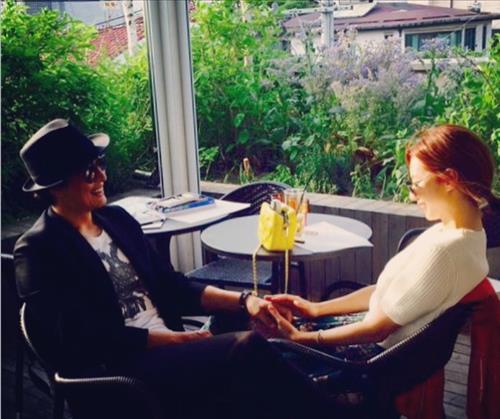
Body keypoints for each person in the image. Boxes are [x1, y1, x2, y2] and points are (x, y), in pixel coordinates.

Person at [14, 119, 330, 419]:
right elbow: (82, 341)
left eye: (100, 164)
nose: (101, 177)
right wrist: (175, 341)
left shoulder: (116, 220)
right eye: (88, 172)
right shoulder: (38, 250)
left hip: (169, 350)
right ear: (56, 187)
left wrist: (246, 300)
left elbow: (172, 286)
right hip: (120, 375)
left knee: (256, 327)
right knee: (246, 349)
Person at [264, 124, 498, 359]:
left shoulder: (444, 251)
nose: (411, 195)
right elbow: (388, 294)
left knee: (256, 349)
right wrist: (315, 308)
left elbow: (377, 329)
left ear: (449, 180)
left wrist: (300, 339)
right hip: (379, 353)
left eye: (416, 185)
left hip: (364, 363)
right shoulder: (468, 235)